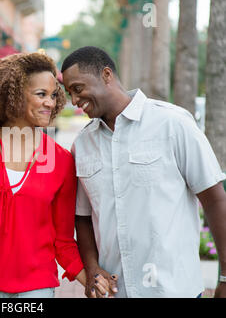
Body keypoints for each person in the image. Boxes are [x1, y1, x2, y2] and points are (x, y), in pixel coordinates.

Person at [61, 46, 226, 298]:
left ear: (106, 75)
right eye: (69, 92)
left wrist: (224, 276)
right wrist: (93, 268)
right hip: (116, 293)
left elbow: (214, 200)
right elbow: (83, 217)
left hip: (173, 290)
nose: (74, 100)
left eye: (78, 88)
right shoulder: (82, 144)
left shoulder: (173, 124)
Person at [0, 52, 110, 298]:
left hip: (36, 290)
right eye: (41, 94)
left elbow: (62, 241)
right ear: (11, 95)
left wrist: (94, 283)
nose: (51, 103)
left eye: (53, 95)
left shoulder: (61, 160)